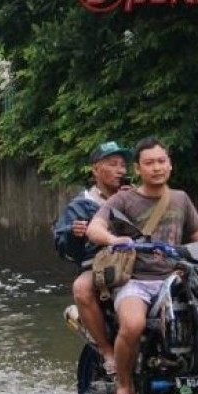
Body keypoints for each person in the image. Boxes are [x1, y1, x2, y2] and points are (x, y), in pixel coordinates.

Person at [85, 137, 198, 394]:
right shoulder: (123, 198)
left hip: (174, 278)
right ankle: (124, 388)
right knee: (133, 324)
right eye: (149, 163)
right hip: (136, 281)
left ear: (170, 165)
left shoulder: (180, 199)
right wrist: (113, 239)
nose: (156, 167)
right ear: (138, 169)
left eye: (161, 161)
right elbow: (95, 228)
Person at [53, 141, 132, 376]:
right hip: (99, 268)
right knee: (81, 288)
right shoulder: (81, 205)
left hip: (138, 263)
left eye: (123, 165)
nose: (121, 170)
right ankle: (108, 353)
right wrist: (73, 234)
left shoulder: (137, 197)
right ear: (96, 170)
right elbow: (63, 249)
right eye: (112, 164)